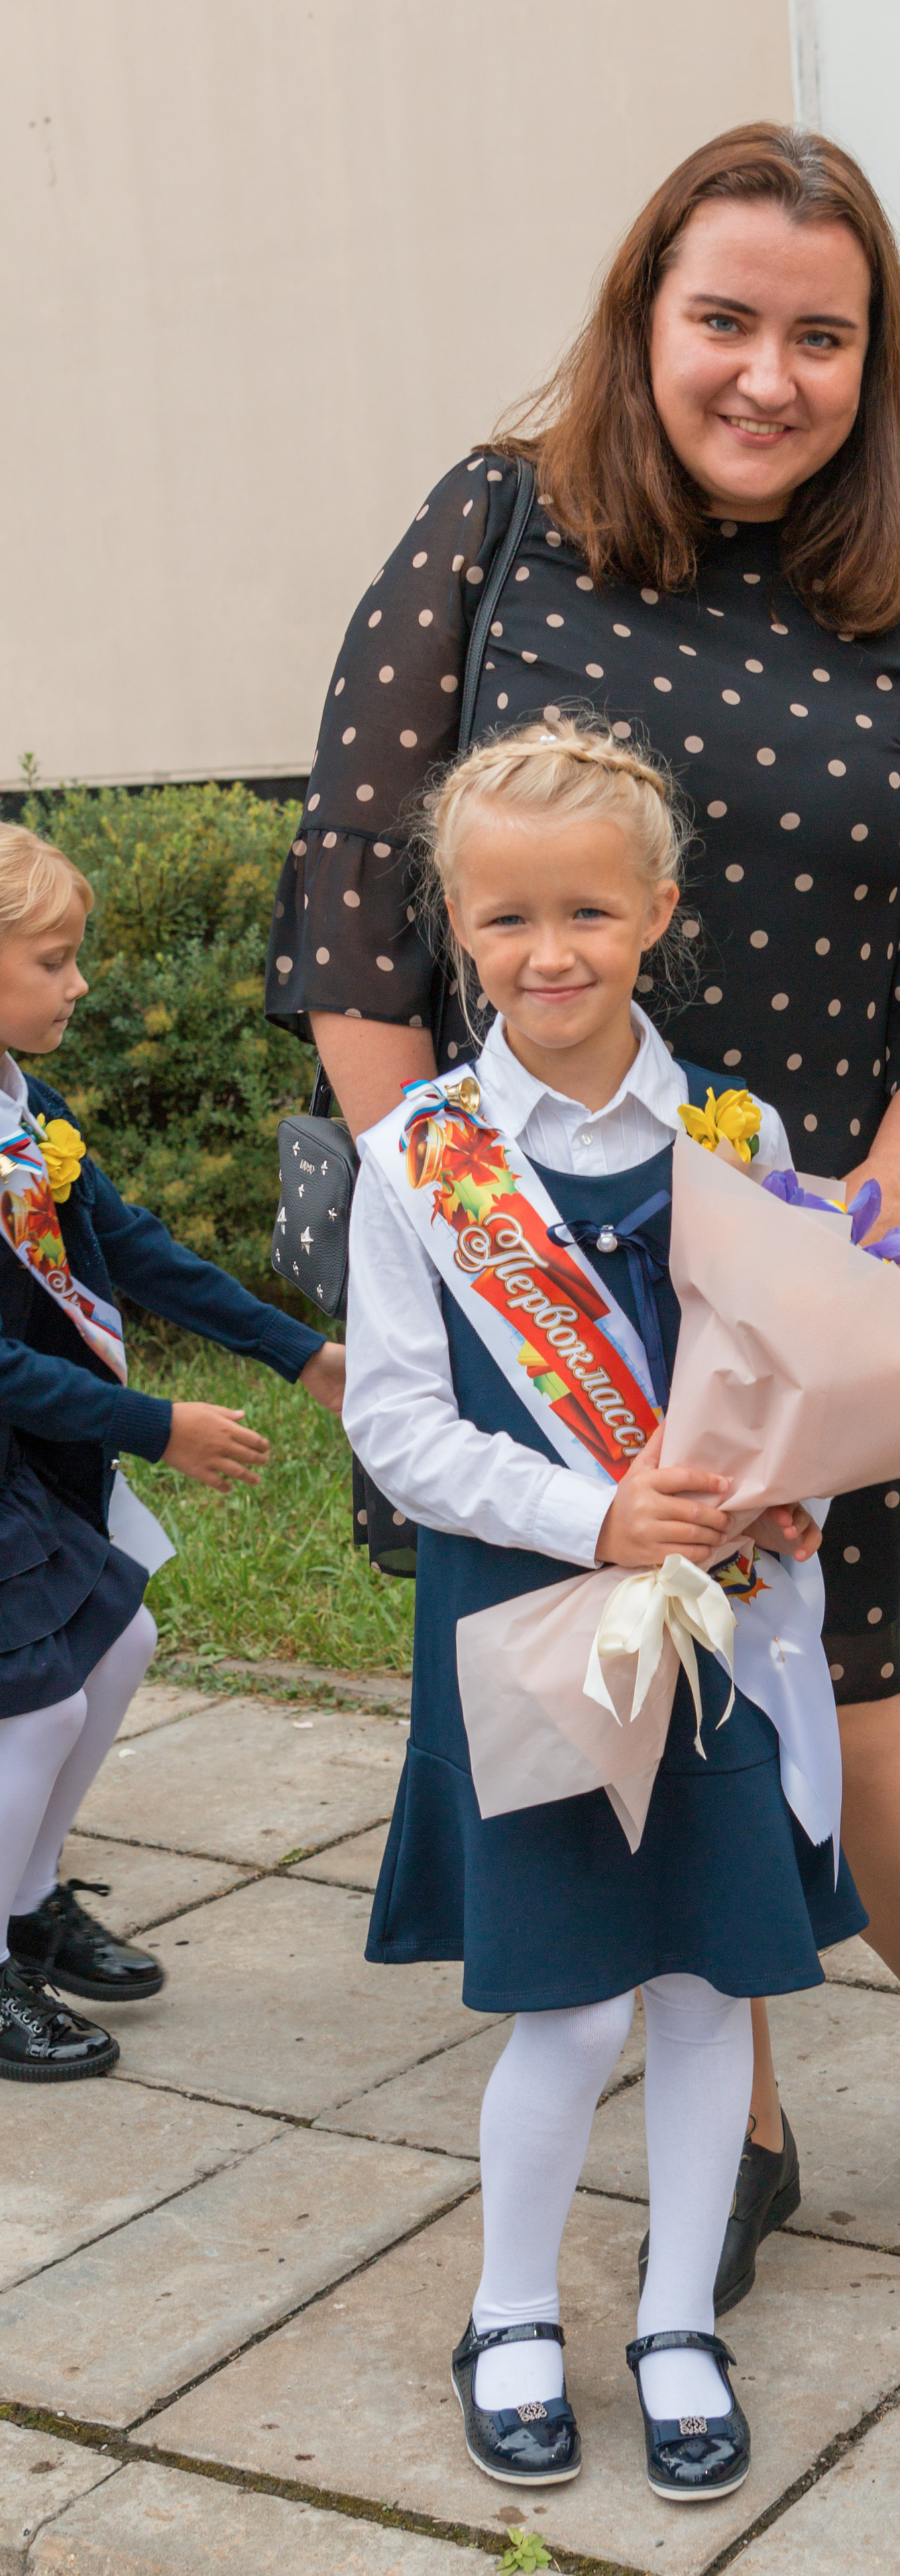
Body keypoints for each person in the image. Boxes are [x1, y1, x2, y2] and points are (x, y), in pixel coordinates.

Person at [269, 121, 900, 2286]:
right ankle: (751, 2126)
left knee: (861, 1688)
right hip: (538, 1256)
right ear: (645, 321)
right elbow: (354, 902)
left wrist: (853, 1255)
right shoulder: (495, 531)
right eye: (724, 318)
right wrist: (430, 1211)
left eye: (824, 336)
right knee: (642, 1683)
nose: (767, 373)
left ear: (869, 364)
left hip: (797, 1276)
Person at [343, 715, 864, 2500]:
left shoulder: (737, 1127)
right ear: (455, 928)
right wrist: (592, 1512)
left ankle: (675, 2323)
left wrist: (794, 1476)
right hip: (531, 1624)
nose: (544, 952)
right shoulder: (423, 1158)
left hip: (716, 1629)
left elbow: (795, 1362)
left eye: (583, 911)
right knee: (565, 2010)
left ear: (656, 912)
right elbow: (396, 1425)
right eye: (502, 920)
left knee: (715, 1990)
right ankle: (510, 2310)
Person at [0, 822, 343, 2081]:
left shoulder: (24, 1103)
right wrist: (161, 1426)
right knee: (30, 1708)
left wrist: (295, 1353)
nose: (79, 983)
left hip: (30, 1462)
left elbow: (130, 1246)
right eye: (53, 960)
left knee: (124, 1640)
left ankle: (26, 1905)